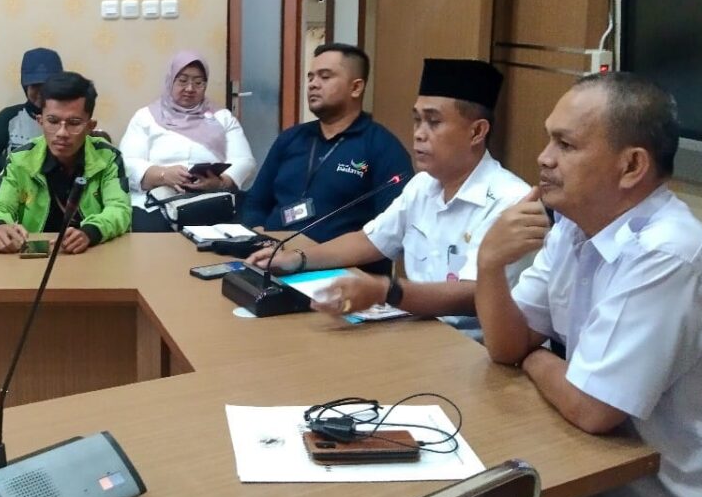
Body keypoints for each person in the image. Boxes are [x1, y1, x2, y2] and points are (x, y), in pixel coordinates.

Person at [475, 72, 702, 497]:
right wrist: (490, 264)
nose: (543, 158)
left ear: (631, 167)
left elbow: (593, 408)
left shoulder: (667, 254)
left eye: (565, 145)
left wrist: (535, 357)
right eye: (548, 139)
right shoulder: (572, 229)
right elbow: (505, 344)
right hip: (598, 493)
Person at [249, 59, 529, 337]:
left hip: (472, 346)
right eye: (417, 120)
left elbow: (475, 295)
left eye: (433, 122)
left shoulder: (511, 201)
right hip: (417, 329)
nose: (419, 134)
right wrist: (296, 259)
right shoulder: (422, 185)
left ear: (477, 132)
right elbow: (370, 240)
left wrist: (386, 291)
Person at [240, 43, 411, 261]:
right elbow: (256, 202)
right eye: (311, 77)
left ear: (356, 88)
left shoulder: (382, 147)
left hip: (336, 269)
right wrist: (260, 238)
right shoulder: (291, 138)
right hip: (270, 258)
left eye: (325, 76)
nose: (313, 84)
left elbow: (391, 230)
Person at [0, 71, 130, 254]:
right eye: (53, 121)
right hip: (35, 255)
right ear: (40, 121)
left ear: (90, 127)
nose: (62, 133)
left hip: (91, 253)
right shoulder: (19, 159)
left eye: (74, 123)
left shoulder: (108, 157)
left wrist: (91, 232)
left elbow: (119, 209)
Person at [119, 50, 256, 232]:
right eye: (183, 81)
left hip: (211, 198)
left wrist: (220, 182)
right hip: (156, 200)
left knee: (234, 234)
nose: (190, 88)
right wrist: (162, 174)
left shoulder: (222, 118)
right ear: (171, 81)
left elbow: (244, 160)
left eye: (198, 83)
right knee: (149, 235)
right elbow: (127, 162)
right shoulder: (145, 117)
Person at [0, 47, 63, 178]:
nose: (41, 92)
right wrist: (23, 164)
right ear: (25, 87)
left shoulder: (69, 119)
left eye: (47, 86)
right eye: (35, 86)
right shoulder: (10, 117)